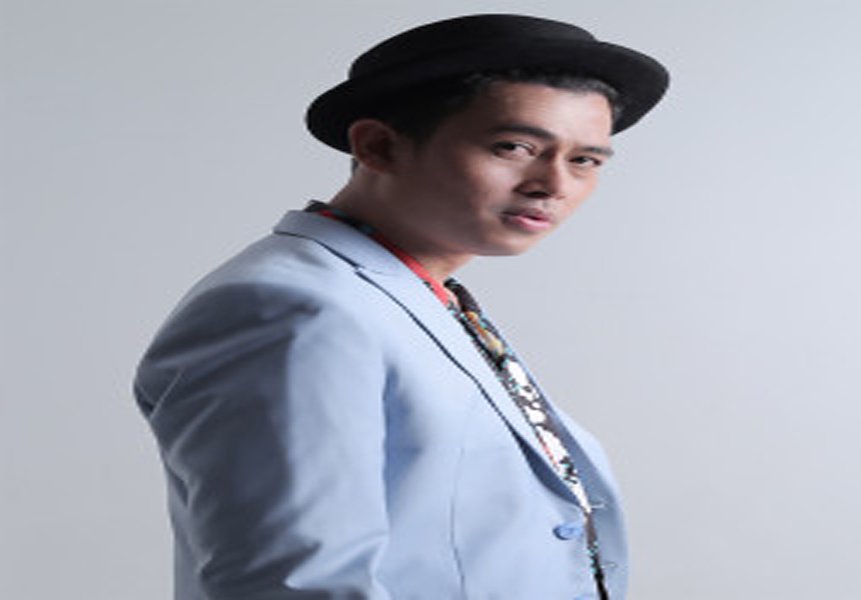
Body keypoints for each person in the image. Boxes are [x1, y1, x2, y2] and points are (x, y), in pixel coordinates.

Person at [134, 13, 668, 600]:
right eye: (514, 147)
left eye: (585, 160)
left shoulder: (421, 297)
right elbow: (295, 585)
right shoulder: (292, 308)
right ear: (379, 146)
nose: (553, 184)